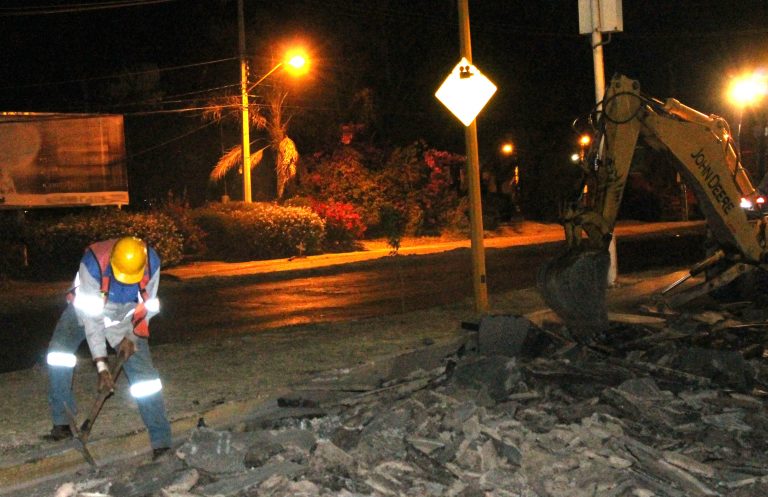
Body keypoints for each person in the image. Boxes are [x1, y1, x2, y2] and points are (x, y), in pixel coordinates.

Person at [44, 236, 172, 460]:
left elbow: (149, 305)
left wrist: (132, 336)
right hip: (85, 311)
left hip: (126, 318)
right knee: (58, 355)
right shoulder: (92, 265)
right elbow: (93, 322)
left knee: (146, 381)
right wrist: (102, 366)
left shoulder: (151, 263)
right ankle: (62, 423)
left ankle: (161, 443)